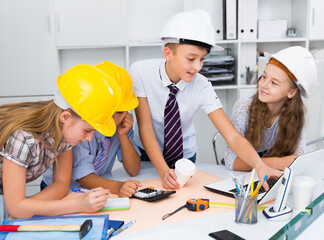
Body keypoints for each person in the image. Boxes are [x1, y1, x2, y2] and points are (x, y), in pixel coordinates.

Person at [130, 10, 281, 190]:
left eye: (202, 59)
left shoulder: (202, 86)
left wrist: (259, 165)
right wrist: (163, 171)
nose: (197, 67)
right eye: (191, 59)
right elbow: (145, 127)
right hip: (147, 155)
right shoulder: (141, 72)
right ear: (168, 53)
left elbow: (232, 135)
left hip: (184, 158)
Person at [0, 64, 122, 221]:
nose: (90, 138)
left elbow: (61, 184)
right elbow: (16, 208)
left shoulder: (64, 134)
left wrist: (25, 207)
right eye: (87, 130)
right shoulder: (23, 138)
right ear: (65, 117)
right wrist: (78, 205)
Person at [42, 61, 142, 197]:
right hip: (59, 190)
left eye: (120, 112)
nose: (113, 118)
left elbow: (134, 169)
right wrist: (118, 187)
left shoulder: (122, 123)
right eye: (108, 110)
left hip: (93, 190)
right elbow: (84, 178)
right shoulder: (83, 127)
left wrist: (123, 135)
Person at [225, 46, 317, 171]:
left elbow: (297, 161)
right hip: (245, 176)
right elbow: (232, 162)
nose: (264, 85)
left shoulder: (294, 115)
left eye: (274, 83)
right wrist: (278, 163)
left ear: (291, 92)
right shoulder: (243, 107)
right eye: (264, 76)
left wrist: (273, 164)